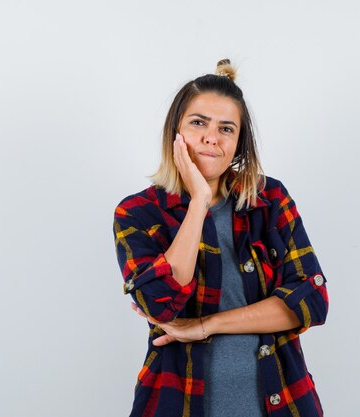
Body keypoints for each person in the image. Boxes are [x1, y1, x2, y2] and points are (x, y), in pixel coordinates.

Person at [112, 59, 329, 417]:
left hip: (283, 403)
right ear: (175, 132)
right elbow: (162, 303)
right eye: (198, 123)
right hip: (176, 403)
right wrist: (199, 201)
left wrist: (205, 326)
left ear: (238, 143)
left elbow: (312, 301)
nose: (212, 137)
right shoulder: (137, 213)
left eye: (226, 128)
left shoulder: (269, 199)